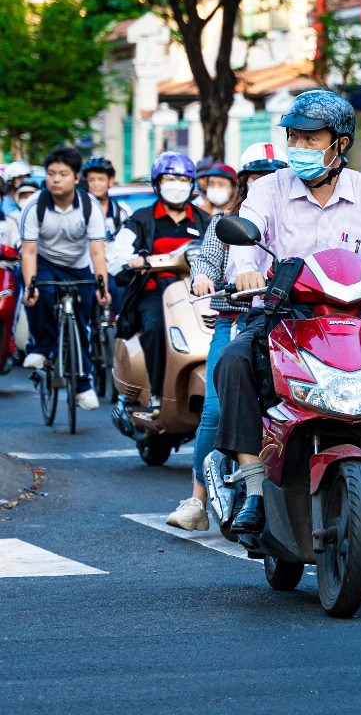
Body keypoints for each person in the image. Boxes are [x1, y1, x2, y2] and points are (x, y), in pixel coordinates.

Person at [212, 89, 361, 545]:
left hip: (357, 325)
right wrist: (248, 271)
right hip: (284, 319)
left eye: (311, 138)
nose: (300, 146)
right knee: (234, 361)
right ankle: (254, 489)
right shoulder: (267, 189)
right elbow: (244, 242)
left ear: (340, 143)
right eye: (294, 137)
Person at [166, 152, 279, 531]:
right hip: (235, 320)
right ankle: (197, 500)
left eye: (274, 174)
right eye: (257, 175)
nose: (264, 182)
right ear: (243, 181)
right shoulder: (223, 222)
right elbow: (206, 260)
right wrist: (203, 277)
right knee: (215, 410)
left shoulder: (295, 217)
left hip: (290, 324)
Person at [108, 153, 211, 415]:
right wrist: (133, 262)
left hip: (198, 294)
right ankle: (156, 393)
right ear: (157, 183)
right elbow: (116, 255)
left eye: (182, 179)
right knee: (155, 328)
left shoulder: (204, 220)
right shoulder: (140, 220)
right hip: (153, 292)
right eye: (169, 178)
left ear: (191, 184)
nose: (176, 184)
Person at [19, 145, 111, 410]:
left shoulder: (89, 206)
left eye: (62, 174)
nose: (56, 179)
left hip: (78, 265)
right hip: (45, 261)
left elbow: (97, 251)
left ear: (76, 178)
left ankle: (83, 385)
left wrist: (100, 285)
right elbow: (29, 251)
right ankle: (41, 346)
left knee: (82, 320)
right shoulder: (35, 206)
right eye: (51, 174)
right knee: (40, 295)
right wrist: (30, 286)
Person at [81, 156, 128, 313]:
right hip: (85, 267)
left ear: (110, 180)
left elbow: (130, 241)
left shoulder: (122, 211)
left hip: (114, 267)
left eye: (101, 179)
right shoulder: (78, 210)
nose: (96, 184)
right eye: (91, 179)